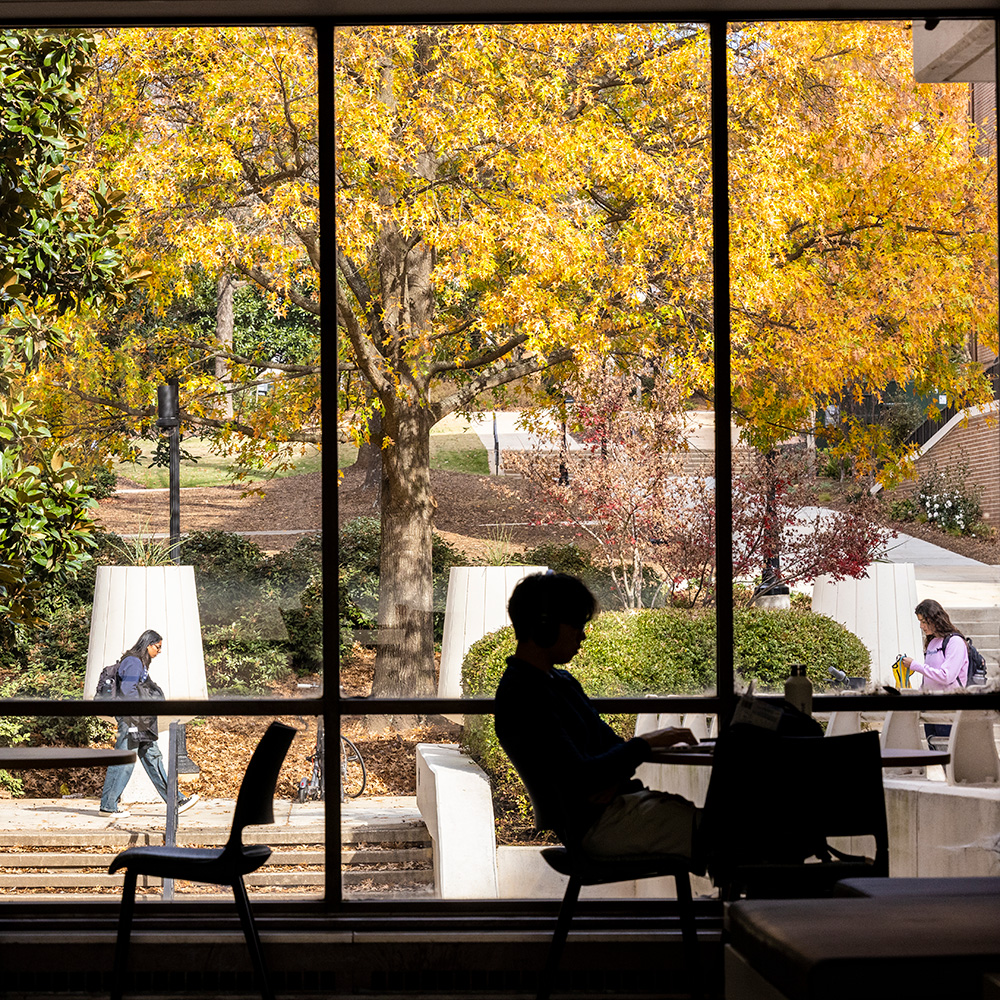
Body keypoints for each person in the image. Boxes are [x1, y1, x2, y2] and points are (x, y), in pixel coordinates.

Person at [494, 572, 701, 862]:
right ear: (545, 627)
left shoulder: (560, 682)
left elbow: (609, 747)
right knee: (729, 831)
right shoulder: (524, 696)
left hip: (617, 808)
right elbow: (581, 777)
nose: (583, 635)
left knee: (727, 827)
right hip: (599, 826)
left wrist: (607, 776)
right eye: (577, 624)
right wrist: (645, 744)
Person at [99, 629, 200, 819]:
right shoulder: (133, 662)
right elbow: (128, 690)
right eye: (158, 647)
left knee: (153, 758)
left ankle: (176, 800)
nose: (159, 651)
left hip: (140, 719)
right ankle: (108, 806)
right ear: (148, 644)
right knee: (124, 760)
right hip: (132, 719)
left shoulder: (140, 663)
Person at [900, 598, 968, 748]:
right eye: (920, 621)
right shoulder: (932, 642)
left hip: (947, 711)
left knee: (947, 754)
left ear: (936, 619)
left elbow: (946, 676)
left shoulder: (954, 642)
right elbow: (928, 680)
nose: (921, 626)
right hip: (931, 710)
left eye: (924, 621)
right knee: (935, 753)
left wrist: (915, 665)